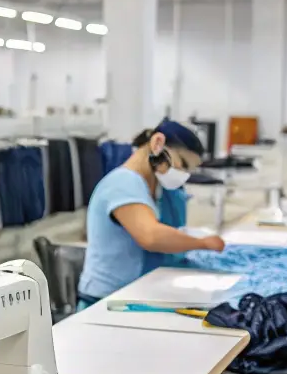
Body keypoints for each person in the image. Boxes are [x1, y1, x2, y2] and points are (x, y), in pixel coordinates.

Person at [78, 119, 225, 307]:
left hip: (139, 294)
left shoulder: (160, 189)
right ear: (157, 144)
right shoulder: (122, 183)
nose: (183, 175)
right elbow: (151, 236)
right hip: (105, 302)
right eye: (183, 164)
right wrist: (203, 243)